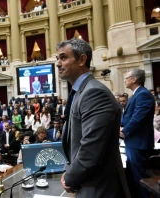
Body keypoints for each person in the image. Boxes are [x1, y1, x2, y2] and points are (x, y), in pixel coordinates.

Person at [56, 39, 130, 197]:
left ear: (82, 60)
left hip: (100, 188)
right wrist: (68, 170)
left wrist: (69, 177)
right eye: (57, 59)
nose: (57, 63)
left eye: (63, 58)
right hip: (88, 183)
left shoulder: (94, 93)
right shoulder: (80, 92)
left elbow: (91, 149)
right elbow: (73, 141)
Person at [120, 68, 155, 198]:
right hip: (134, 142)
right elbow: (129, 117)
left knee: (139, 178)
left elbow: (138, 118)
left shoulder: (143, 94)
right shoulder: (137, 94)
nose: (124, 80)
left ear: (134, 79)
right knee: (134, 177)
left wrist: (124, 130)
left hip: (138, 143)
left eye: (126, 77)